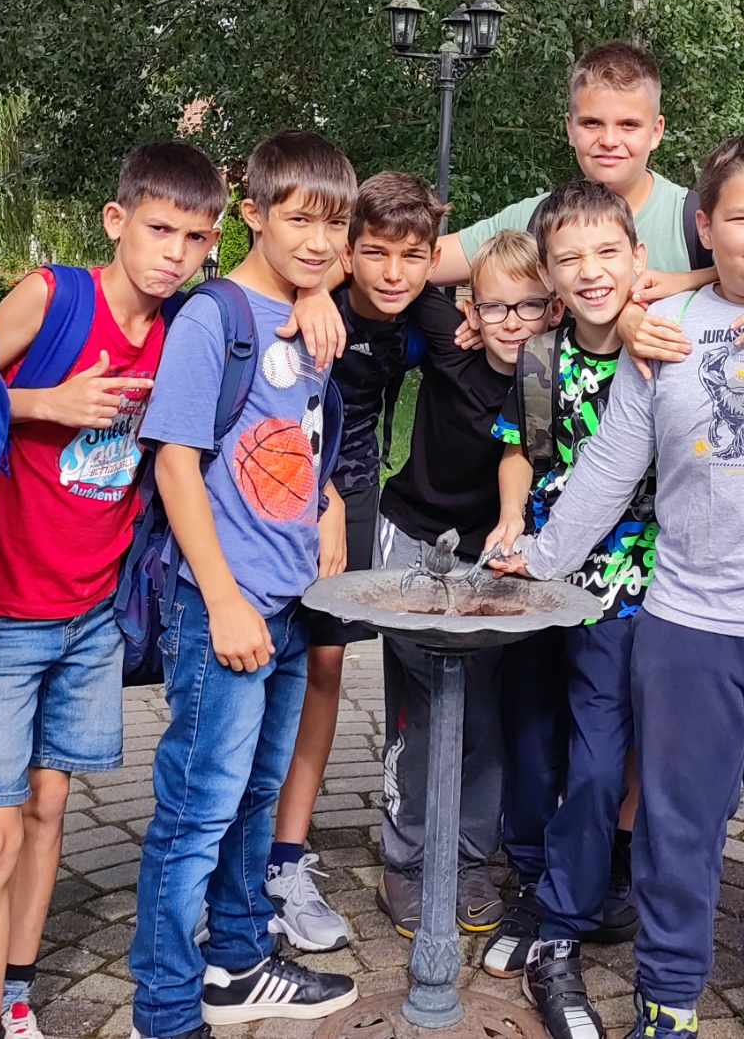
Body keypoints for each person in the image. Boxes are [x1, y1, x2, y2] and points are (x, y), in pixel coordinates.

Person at [497, 136, 744, 1039]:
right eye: (742, 217)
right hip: (688, 624)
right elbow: (611, 464)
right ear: (704, 226)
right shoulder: (663, 332)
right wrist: (539, 557)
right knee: (676, 826)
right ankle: (669, 997)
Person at [0, 142, 226, 1039]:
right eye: (159, 229)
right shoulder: (53, 296)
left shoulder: (184, 327)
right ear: (117, 221)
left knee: (50, 807)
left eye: (194, 238)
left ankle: (15, 993)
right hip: (2, 609)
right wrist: (45, 404)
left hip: (93, 613)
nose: (174, 253)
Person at [130, 130, 361, 1039]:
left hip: (290, 603)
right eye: (299, 221)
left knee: (258, 797)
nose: (319, 242)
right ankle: (164, 1007)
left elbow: (297, 438)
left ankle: (237, 960)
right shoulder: (212, 319)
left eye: (334, 226)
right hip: (224, 605)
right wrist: (223, 600)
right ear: (254, 215)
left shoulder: (311, 315)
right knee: (196, 810)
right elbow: (176, 465)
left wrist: (330, 502)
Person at [478, 181, 656, 1021]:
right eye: (570, 258)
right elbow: (518, 446)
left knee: (596, 759)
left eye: (607, 252)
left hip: (623, 584)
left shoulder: (657, 348)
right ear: (549, 274)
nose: (591, 271)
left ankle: (566, 913)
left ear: (637, 258)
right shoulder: (540, 356)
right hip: (535, 575)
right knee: (530, 738)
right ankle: (534, 882)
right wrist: (511, 515)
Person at [267, 172, 445, 953]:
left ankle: (285, 857)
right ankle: (237, 849)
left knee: (326, 668)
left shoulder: (427, 318)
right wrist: (313, 289)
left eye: (411, 256)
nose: (393, 272)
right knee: (264, 665)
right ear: (348, 251)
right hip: (287, 490)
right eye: (373, 252)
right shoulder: (316, 304)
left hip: (358, 490)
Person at [374, 230, 555, 938]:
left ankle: (472, 859)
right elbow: (400, 274)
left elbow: (524, 454)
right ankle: (406, 860)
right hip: (412, 534)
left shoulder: (545, 372)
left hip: (490, 557)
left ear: (552, 309)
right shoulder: (450, 342)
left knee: (482, 709)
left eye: (528, 306)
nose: (511, 322)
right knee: (419, 706)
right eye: (495, 307)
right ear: (472, 310)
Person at [433, 41, 705, 282]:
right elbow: (423, 266)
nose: (609, 140)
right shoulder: (538, 218)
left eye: (628, 125)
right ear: (570, 129)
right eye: (592, 123)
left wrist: (690, 280)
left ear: (656, 132)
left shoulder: (695, 221)